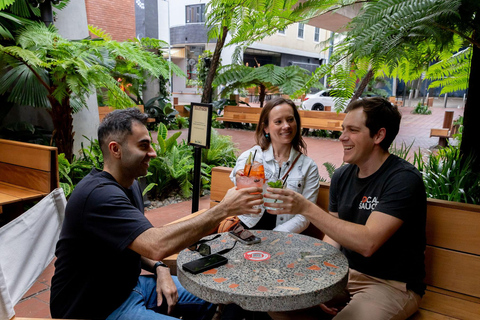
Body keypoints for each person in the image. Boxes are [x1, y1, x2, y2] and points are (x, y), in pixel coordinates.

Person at [50, 108, 263, 320]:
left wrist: (160, 268)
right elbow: (156, 245)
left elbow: (134, 240)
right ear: (115, 149)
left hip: (130, 288)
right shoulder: (97, 196)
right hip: (94, 309)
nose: (153, 152)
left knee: (229, 298)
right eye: (144, 145)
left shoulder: (130, 184)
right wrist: (224, 209)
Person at [265, 97, 426, 320]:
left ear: (378, 135)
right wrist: (318, 283)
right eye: (343, 129)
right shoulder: (342, 175)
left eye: (352, 130)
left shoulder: (402, 180)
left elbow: (368, 243)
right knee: (276, 299)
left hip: (390, 285)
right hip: (344, 274)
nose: (342, 137)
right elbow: (333, 238)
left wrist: (306, 208)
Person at [230, 97, 320, 233]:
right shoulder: (253, 156)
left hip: (285, 235)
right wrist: (241, 177)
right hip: (247, 231)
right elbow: (238, 175)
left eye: (290, 119)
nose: (286, 126)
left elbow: (305, 216)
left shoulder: (308, 167)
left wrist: (276, 236)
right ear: (266, 128)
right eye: (278, 121)